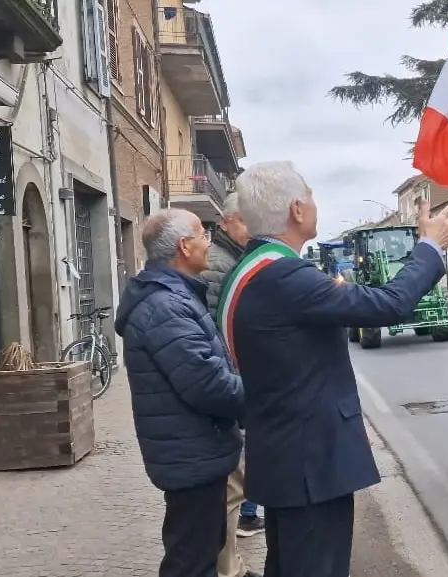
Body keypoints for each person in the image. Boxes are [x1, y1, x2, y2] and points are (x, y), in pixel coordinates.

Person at [219, 161, 448, 577]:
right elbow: (390, 304)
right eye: (311, 194)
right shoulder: (285, 276)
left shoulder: (254, 270)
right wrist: (430, 247)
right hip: (310, 466)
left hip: (285, 458)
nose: (315, 202)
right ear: (297, 209)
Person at [114, 208, 244, 577]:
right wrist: (265, 397)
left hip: (193, 453)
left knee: (198, 551)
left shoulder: (173, 297)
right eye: (203, 234)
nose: (209, 242)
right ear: (185, 247)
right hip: (191, 455)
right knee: (191, 560)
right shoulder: (166, 306)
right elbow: (208, 384)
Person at [199, 193, 264, 577]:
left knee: (235, 487)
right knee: (231, 488)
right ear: (227, 222)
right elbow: (217, 335)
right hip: (230, 389)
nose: (251, 230)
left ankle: (229, 563)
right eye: (246, 222)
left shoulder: (230, 260)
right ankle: (226, 568)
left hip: (232, 385)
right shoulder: (219, 267)